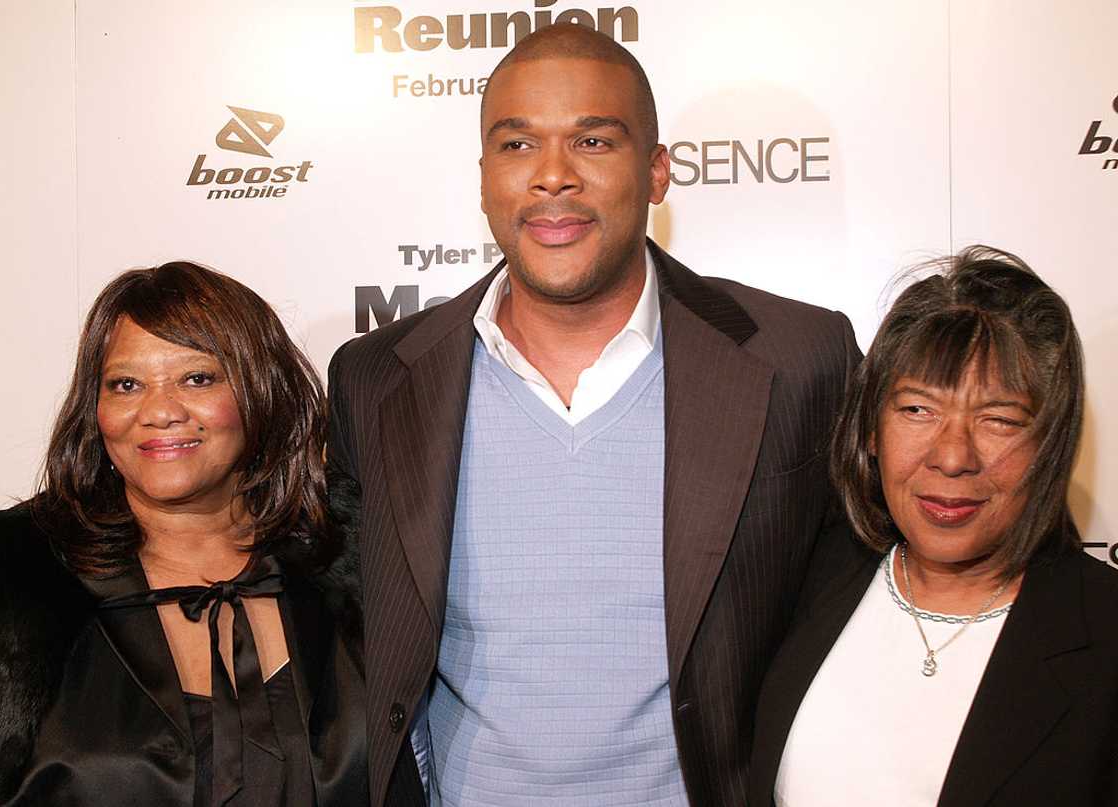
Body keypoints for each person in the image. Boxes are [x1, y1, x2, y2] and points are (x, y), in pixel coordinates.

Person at [327, 22, 860, 806]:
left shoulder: (801, 358)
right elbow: (348, 628)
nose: (552, 178)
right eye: (516, 146)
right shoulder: (376, 378)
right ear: (481, 178)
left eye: (594, 143)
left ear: (656, 172)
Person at [747, 246, 1118, 806]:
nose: (951, 456)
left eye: (998, 419)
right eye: (917, 410)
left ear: (1050, 443)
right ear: (870, 429)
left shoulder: (1105, 635)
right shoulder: (804, 578)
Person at [0, 262, 368, 806]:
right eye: (126, 384)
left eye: (198, 379)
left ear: (260, 388)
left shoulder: (357, 560)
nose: (159, 411)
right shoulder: (17, 575)